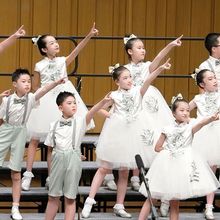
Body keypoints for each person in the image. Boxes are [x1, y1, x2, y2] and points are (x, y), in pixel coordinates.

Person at [81, 59, 171, 218]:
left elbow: (148, 79)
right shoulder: (114, 95)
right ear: (117, 81)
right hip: (117, 133)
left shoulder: (138, 91)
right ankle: (89, 201)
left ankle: (119, 205)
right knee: (104, 167)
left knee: (124, 172)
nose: (129, 80)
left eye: (130, 77)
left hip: (133, 134)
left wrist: (160, 69)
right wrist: (110, 115)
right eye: (125, 78)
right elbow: (99, 108)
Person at [103, 34, 182, 215]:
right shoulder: (125, 70)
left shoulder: (147, 67)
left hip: (149, 102)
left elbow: (158, 58)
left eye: (143, 47)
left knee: (156, 145)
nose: (143, 50)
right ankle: (131, 177)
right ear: (130, 51)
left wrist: (170, 45)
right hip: (132, 106)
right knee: (132, 141)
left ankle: (163, 197)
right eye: (139, 47)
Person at [21, 23, 99, 191]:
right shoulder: (39, 65)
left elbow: (76, 51)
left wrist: (89, 35)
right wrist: (40, 99)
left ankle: (52, 176)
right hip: (46, 100)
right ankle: (27, 174)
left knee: (53, 142)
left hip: (63, 98)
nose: (56, 44)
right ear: (43, 49)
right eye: (51, 43)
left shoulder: (63, 61)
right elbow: (35, 86)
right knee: (34, 139)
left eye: (56, 41)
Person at [138, 95, 220, 220]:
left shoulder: (190, 126)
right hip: (166, 165)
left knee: (175, 203)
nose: (186, 112)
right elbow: (157, 147)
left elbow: (202, 123)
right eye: (182, 110)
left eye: (187, 110)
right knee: (152, 198)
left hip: (181, 166)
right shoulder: (167, 129)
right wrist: (167, 150)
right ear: (173, 113)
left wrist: (210, 119)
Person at [0, 68, 65, 220]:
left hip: (20, 132)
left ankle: (15, 207)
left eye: (29, 81)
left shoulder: (31, 98)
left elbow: (43, 90)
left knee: (16, 173)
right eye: (23, 81)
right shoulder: (6, 100)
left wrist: (55, 82)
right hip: (5, 131)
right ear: (15, 84)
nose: (27, 84)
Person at [44, 91, 112, 220]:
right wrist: (50, 173)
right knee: (53, 197)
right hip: (57, 159)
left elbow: (91, 112)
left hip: (73, 159)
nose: (73, 105)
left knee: (70, 197)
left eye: (75, 103)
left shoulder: (80, 122)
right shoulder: (53, 125)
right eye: (69, 103)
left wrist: (103, 102)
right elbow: (49, 151)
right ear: (60, 107)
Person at [190, 69, 220, 220]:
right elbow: (183, 110)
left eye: (214, 77)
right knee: (190, 167)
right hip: (201, 136)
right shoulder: (198, 99)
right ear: (202, 84)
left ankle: (209, 206)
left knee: (212, 171)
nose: (215, 80)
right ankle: (167, 200)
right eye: (210, 79)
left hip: (216, 135)